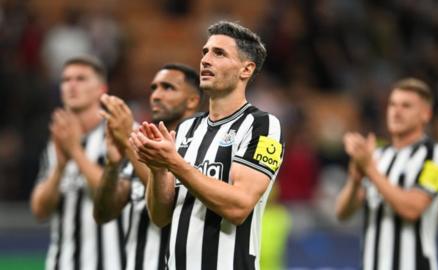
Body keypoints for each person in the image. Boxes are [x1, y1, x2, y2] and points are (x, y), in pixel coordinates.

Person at [129, 21, 285, 270]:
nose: (205, 60)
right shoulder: (186, 129)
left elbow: (239, 207)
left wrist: (174, 163)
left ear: (246, 70)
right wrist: (158, 169)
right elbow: (160, 217)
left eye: (219, 53)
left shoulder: (263, 126)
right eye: (205, 52)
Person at [93, 63, 202, 270]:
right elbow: (103, 213)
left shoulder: (200, 149)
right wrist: (113, 165)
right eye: (154, 88)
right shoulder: (139, 147)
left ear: (192, 101)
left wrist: (126, 140)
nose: (156, 95)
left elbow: (167, 210)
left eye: (168, 87)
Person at [335, 78, 438, 270]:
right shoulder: (378, 156)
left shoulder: (436, 155)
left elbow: (412, 209)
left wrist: (370, 170)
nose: (396, 111)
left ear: (426, 114)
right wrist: (355, 178)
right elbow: (342, 213)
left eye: (406, 106)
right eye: (392, 104)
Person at [30, 56, 126, 270]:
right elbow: (39, 211)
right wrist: (60, 168)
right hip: (61, 263)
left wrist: (75, 151)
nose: (71, 85)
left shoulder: (120, 134)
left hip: (112, 263)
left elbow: (115, 199)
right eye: (66, 80)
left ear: (101, 88)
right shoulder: (55, 141)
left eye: (81, 79)